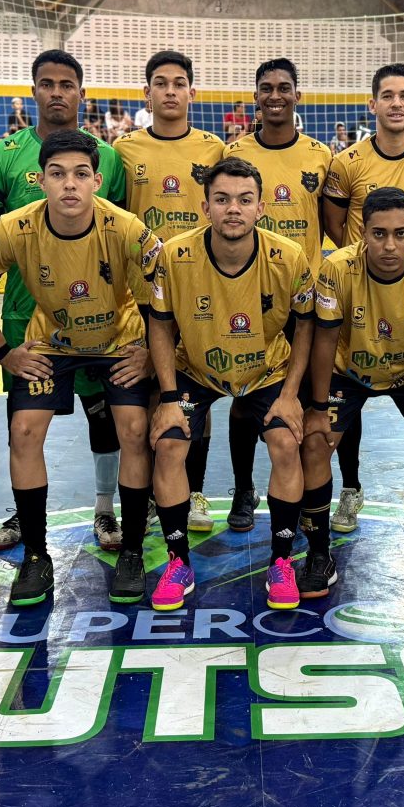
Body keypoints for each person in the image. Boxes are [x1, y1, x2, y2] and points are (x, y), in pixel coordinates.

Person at [0, 131, 162, 606]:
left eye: (80, 174)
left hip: (119, 339)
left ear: (97, 181)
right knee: (24, 431)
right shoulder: (14, 228)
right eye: (57, 174)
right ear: (40, 180)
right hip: (51, 342)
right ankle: (37, 556)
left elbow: (165, 293)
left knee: (134, 428)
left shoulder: (127, 228)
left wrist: (151, 354)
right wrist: (4, 353)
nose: (69, 184)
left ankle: (132, 551)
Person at [0, 49, 128, 551]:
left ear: (81, 93)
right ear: (33, 90)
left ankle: (106, 510)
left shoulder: (109, 157)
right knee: (24, 425)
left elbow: (118, 239)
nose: (57, 92)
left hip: (101, 318)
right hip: (27, 317)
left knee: (105, 417)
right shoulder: (3, 155)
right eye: (47, 83)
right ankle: (23, 516)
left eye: (66, 84)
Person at [146, 156, 314, 610]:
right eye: (222, 200)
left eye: (244, 200)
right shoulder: (174, 255)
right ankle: (178, 562)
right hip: (196, 368)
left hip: (265, 371)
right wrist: (167, 398)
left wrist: (291, 394)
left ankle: (281, 561)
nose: (233, 209)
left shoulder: (288, 257)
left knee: (286, 443)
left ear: (261, 208)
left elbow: (305, 326)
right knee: (169, 444)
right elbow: (159, 325)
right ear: (206, 207)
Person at [302, 187, 404, 598]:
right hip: (348, 369)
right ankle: (318, 555)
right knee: (315, 442)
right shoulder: (337, 268)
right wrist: (318, 408)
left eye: (399, 233)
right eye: (379, 234)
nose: (389, 245)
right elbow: (324, 341)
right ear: (363, 233)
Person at [322, 63, 404, 532]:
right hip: (359, 296)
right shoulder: (347, 162)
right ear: (373, 104)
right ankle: (350, 488)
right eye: (387, 95)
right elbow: (335, 226)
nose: (396, 103)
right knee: (346, 392)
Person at [115, 50, 229, 530]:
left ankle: (195, 491)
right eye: (160, 83)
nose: (169, 91)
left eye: (179, 83)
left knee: (194, 391)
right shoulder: (124, 150)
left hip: (197, 292)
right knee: (147, 400)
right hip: (143, 295)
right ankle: (144, 499)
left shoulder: (214, 148)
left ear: (192, 93)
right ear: (147, 93)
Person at [223, 59, 333, 532]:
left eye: (284, 88)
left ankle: (303, 488)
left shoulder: (320, 155)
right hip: (246, 295)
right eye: (266, 88)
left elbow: (332, 225)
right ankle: (243, 489)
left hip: (303, 297)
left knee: (305, 397)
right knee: (244, 395)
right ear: (256, 97)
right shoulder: (235, 151)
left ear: (297, 96)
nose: (275, 96)